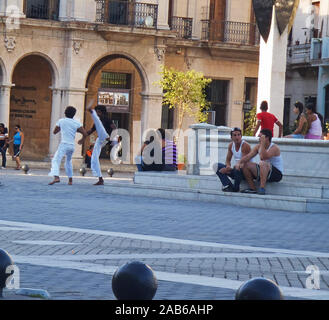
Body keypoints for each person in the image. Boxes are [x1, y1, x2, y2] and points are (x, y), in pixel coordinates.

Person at [49, 106, 88, 185]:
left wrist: (62, 128)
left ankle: (56, 177)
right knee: (68, 162)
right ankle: (70, 180)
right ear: (73, 114)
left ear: (65, 113)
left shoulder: (61, 121)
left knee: (56, 160)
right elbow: (85, 133)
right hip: (71, 146)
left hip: (64, 144)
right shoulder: (76, 123)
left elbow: (54, 132)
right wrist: (81, 140)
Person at [79, 102, 116, 185]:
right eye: (96, 112)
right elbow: (91, 131)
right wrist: (83, 137)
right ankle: (100, 178)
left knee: (101, 129)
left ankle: (90, 110)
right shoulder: (97, 122)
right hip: (100, 139)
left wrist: (113, 139)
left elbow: (114, 128)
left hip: (106, 136)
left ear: (102, 112)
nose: (98, 114)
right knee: (94, 158)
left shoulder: (107, 119)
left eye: (98, 112)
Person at [239, 128, 283, 195]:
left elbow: (263, 157)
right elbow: (248, 157)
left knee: (263, 163)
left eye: (260, 137)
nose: (259, 139)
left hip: (276, 174)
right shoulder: (258, 146)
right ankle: (252, 188)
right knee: (246, 164)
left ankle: (262, 188)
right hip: (264, 171)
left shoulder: (274, 148)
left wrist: (262, 144)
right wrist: (239, 163)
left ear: (267, 138)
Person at [213, 127, 252, 192]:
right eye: (234, 135)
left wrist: (230, 169)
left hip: (245, 172)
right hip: (236, 170)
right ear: (231, 137)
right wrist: (228, 167)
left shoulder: (245, 146)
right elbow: (228, 160)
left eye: (239, 135)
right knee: (216, 166)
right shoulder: (231, 145)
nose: (237, 137)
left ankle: (236, 188)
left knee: (237, 168)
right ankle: (228, 185)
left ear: (241, 136)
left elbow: (242, 164)